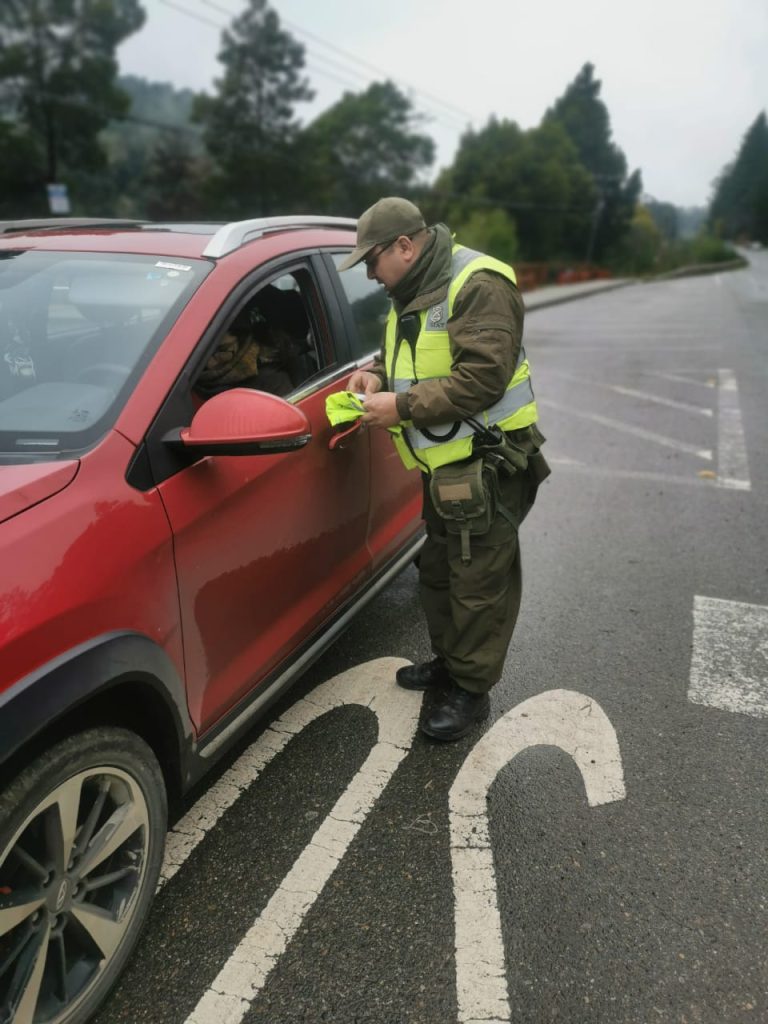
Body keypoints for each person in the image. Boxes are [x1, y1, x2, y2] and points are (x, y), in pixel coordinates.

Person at [341, 197, 549, 742]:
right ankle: (450, 663)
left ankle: (470, 691)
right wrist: (375, 378)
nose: (369, 273)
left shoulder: (478, 282)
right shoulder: (410, 289)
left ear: (405, 247)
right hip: (445, 467)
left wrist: (401, 408)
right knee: (439, 568)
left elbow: (482, 378)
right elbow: (414, 361)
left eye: (372, 260)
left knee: (477, 580)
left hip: (487, 462)